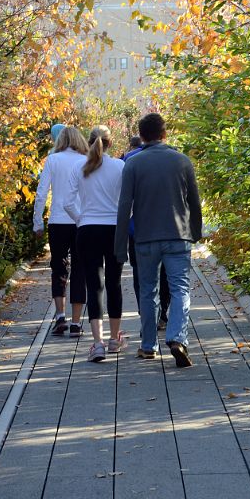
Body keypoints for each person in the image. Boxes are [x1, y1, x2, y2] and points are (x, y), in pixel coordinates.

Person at [114, 113, 202, 367]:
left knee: (148, 291)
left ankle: (148, 345)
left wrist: (119, 247)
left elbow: (124, 207)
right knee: (180, 289)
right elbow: (194, 203)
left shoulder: (133, 164)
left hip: (145, 239)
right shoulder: (182, 162)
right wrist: (195, 232)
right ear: (165, 134)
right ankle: (177, 338)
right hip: (178, 236)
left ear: (141, 136)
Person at [63, 126, 126, 363]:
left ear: (89, 143)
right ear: (110, 143)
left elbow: (67, 202)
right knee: (114, 283)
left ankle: (97, 344)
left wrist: (82, 219)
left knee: (94, 285)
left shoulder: (78, 168)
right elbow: (128, 200)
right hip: (113, 231)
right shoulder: (120, 167)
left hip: (87, 230)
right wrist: (122, 219)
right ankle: (114, 339)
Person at [34, 125, 89, 336]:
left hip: (58, 221)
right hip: (81, 221)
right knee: (79, 270)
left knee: (58, 268)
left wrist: (37, 222)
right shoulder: (86, 161)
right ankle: (76, 323)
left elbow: (41, 193)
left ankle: (59, 317)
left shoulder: (53, 160)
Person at [123, 138, 170, 331]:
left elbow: (125, 199)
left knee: (140, 274)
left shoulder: (129, 160)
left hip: (139, 229)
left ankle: (146, 314)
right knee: (165, 273)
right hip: (168, 227)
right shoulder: (174, 157)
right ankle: (163, 313)